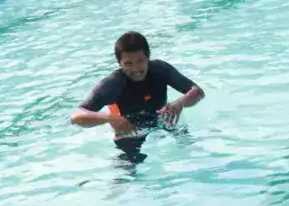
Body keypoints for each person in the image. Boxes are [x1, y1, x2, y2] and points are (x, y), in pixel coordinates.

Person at [70, 31, 205, 161]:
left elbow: (197, 91)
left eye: (140, 61)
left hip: (162, 120)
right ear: (119, 63)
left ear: (148, 57)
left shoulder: (160, 70)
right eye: (128, 63)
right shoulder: (113, 83)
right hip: (130, 130)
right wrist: (111, 118)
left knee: (192, 152)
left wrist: (179, 104)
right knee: (127, 173)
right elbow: (76, 115)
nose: (135, 69)